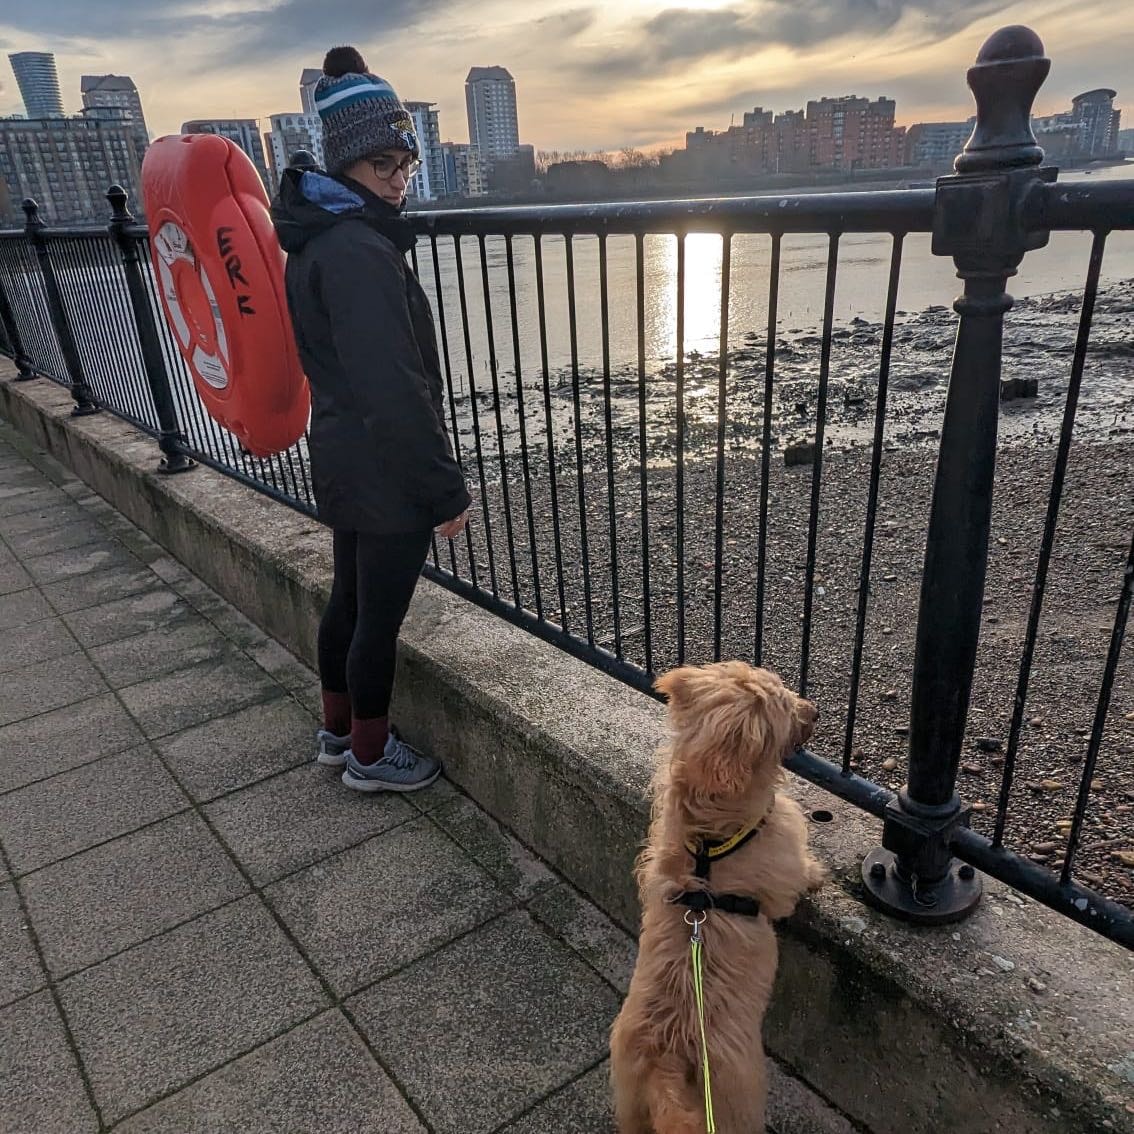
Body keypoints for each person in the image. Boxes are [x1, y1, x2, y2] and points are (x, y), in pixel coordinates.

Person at [272, 46, 470, 793]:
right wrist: (444, 489)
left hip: (344, 452)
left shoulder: (320, 236)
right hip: (384, 467)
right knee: (375, 619)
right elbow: (392, 386)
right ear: (347, 164)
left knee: (348, 604)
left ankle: (336, 733)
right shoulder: (357, 249)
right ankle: (369, 755)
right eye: (382, 163)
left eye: (405, 161)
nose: (397, 178)